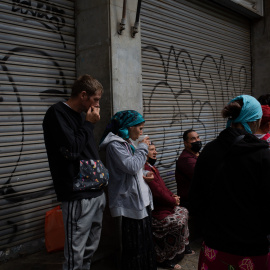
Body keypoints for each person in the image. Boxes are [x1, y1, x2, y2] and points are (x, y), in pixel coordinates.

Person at [189, 95, 270, 270]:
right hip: (252, 250)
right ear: (256, 121)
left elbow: (195, 201)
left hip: (214, 247)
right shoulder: (263, 155)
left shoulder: (208, 151)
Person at [43, 74, 107, 270]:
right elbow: (71, 150)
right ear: (83, 95)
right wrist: (89, 124)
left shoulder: (82, 115)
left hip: (96, 192)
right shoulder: (57, 113)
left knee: (90, 248)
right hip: (77, 194)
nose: (97, 105)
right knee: (75, 253)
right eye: (95, 99)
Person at [99, 110, 156, 270]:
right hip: (130, 203)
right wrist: (143, 147)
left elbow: (134, 169)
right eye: (140, 128)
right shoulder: (115, 145)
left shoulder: (127, 143)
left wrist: (145, 173)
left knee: (145, 244)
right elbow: (130, 167)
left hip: (142, 200)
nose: (141, 132)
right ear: (128, 127)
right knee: (135, 247)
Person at [144, 142, 194, 270]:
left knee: (184, 211)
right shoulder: (145, 171)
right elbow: (157, 193)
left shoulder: (153, 168)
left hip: (166, 207)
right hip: (157, 212)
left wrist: (174, 196)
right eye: (151, 150)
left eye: (155, 149)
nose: (155, 152)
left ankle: (183, 248)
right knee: (176, 221)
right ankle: (166, 258)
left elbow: (163, 187)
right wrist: (173, 201)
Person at [175, 129, 201, 209]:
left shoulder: (197, 154)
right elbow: (202, 175)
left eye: (198, 137)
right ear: (186, 143)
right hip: (191, 202)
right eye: (193, 139)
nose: (197, 141)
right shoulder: (185, 159)